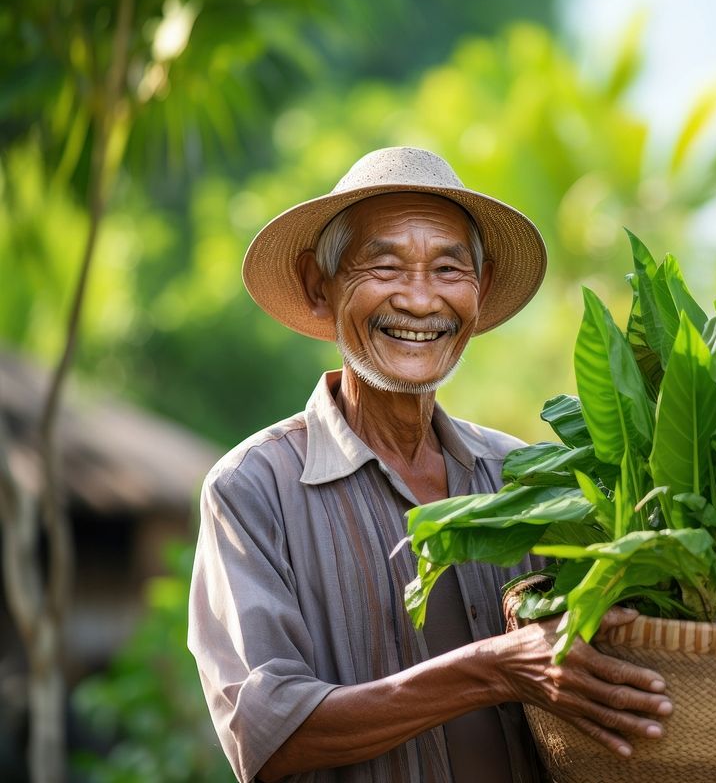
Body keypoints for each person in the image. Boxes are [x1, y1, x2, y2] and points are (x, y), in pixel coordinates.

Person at [188, 147, 673, 783]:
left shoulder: (525, 476)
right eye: (385, 266)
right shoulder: (255, 488)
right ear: (318, 285)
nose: (420, 301)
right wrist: (493, 669)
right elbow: (266, 733)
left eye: (448, 269)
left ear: (482, 288)